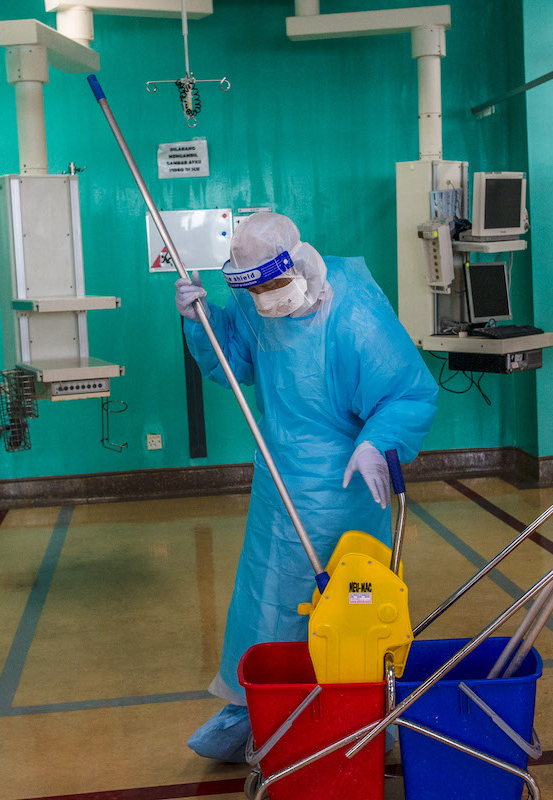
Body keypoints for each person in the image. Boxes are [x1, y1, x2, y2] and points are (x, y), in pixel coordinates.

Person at [175, 211, 438, 761]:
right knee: (267, 603)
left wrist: (376, 444)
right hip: (279, 484)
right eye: (253, 290)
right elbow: (235, 363)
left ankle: (359, 716)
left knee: (347, 608)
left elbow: (409, 393)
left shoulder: (355, 313)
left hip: (345, 489)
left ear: (294, 264)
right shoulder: (256, 303)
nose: (267, 299)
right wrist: (201, 320)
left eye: (273, 285)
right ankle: (257, 717)